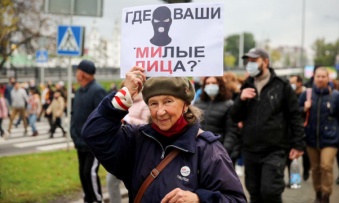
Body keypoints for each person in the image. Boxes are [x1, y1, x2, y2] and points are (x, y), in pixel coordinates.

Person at [82, 66, 247, 202]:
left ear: (185, 105)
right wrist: (124, 94)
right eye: (153, 103)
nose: (160, 111)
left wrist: (199, 199)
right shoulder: (136, 140)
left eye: (168, 101)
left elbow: (236, 199)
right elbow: (94, 134)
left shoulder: (207, 149)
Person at [229, 48, 305, 203]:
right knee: (254, 192)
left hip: (274, 150)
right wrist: (241, 100)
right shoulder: (247, 85)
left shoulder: (281, 85)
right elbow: (235, 116)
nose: (250, 65)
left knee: (270, 191)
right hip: (250, 150)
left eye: (254, 61)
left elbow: (295, 116)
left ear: (265, 61)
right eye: (248, 61)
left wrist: (298, 144)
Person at [299, 67, 339, 203]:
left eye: (323, 76)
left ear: (328, 78)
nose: (320, 79)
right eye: (318, 76)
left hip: (330, 138)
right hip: (311, 138)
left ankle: (326, 194)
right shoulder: (307, 94)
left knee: (326, 166)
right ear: (314, 77)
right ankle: (318, 192)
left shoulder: (336, 96)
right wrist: (304, 108)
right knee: (315, 168)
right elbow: (296, 113)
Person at [71, 60, 107, 203]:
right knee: (82, 173)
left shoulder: (97, 90)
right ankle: (88, 198)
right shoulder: (79, 91)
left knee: (89, 173)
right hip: (79, 141)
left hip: (93, 143)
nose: (76, 74)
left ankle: (97, 200)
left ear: (83, 74)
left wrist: (95, 137)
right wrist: (73, 133)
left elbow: (103, 117)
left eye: (77, 71)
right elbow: (75, 114)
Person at [194, 76, 240, 165]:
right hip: (199, 151)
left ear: (220, 85)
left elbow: (231, 132)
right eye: (207, 83)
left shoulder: (229, 105)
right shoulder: (198, 103)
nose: (210, 86)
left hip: (219, 152)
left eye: (214, 83)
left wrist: (223, 152)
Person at [288, 75, 311, 182]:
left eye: (293, 82)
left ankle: (306, 169)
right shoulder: (288, 94)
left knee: (305, 152)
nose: (291, 85)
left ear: (300, 83)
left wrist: (304, 108)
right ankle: (292, 178)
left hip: (305, 127)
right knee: (290, 155)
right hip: (292, 128)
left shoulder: (307, 94)